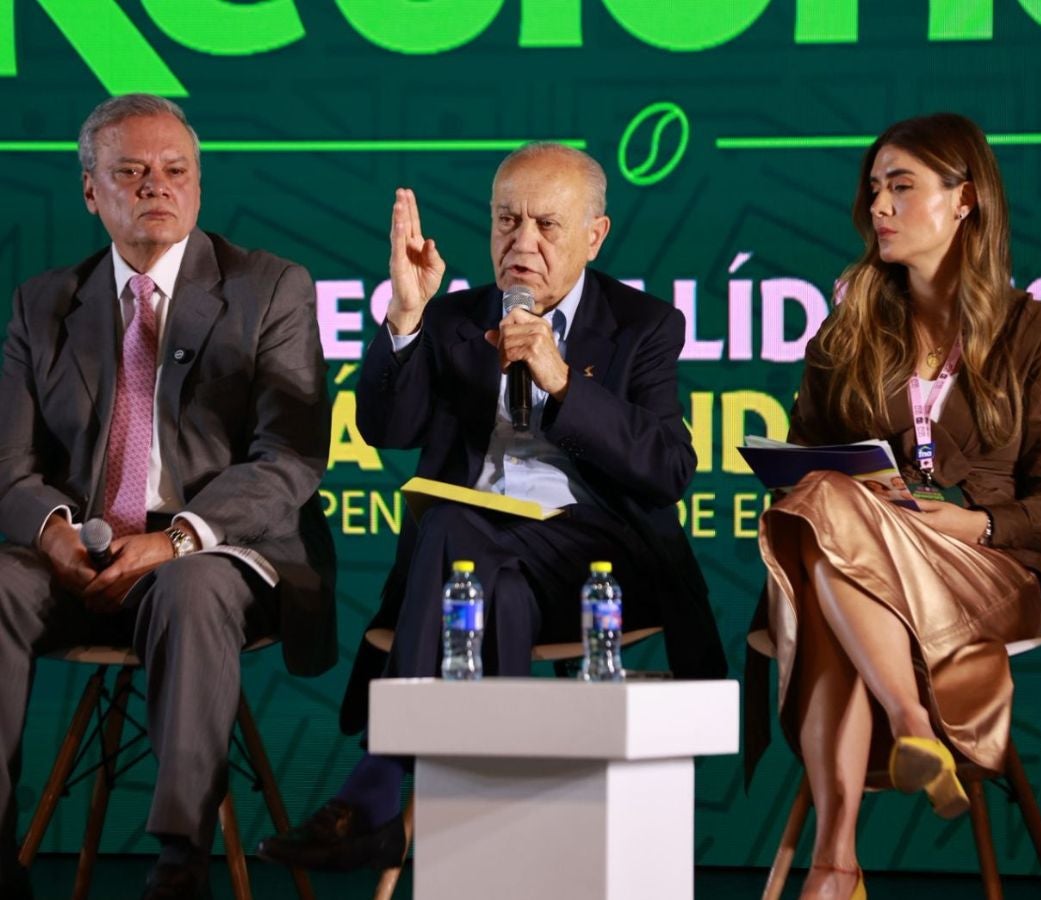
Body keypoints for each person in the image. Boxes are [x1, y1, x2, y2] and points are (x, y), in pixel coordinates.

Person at [257, 142, 725, 871]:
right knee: (490, 591)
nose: (523, 244)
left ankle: (378, 785)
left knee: (451, 528)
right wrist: (406, 319)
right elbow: (388, 431)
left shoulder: (643, 325)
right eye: (507, 222)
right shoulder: (453, 320)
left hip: (596, 560)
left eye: (547, 225)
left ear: (595, 236)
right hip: (480, 565)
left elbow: (666, 470)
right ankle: (504, 857)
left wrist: (563, 382)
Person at [0, 94, 335, 900]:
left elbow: (290, 458)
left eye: (175, 171)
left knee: (188, 586)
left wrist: (177, 537)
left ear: (199, 185)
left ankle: (181, 861)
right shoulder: (42, 303)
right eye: (131, 172)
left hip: (214, 552)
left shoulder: (270, 288)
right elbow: (8, 466)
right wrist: (53, 538)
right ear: (91, 192)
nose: (157, 186)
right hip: (79, 551)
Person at [745, 113, 1041, 900]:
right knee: (826, 518)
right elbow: (803, 470)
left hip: (990, 571)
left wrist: (978, 523)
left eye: (902, 187)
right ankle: (893, 763)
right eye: (874, 191)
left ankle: (843, 848)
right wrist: (868, 495)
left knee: (830, 548)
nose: (880, 208)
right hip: (869, 569)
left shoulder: (1039, 334)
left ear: (965, 199)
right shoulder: (851, 327)